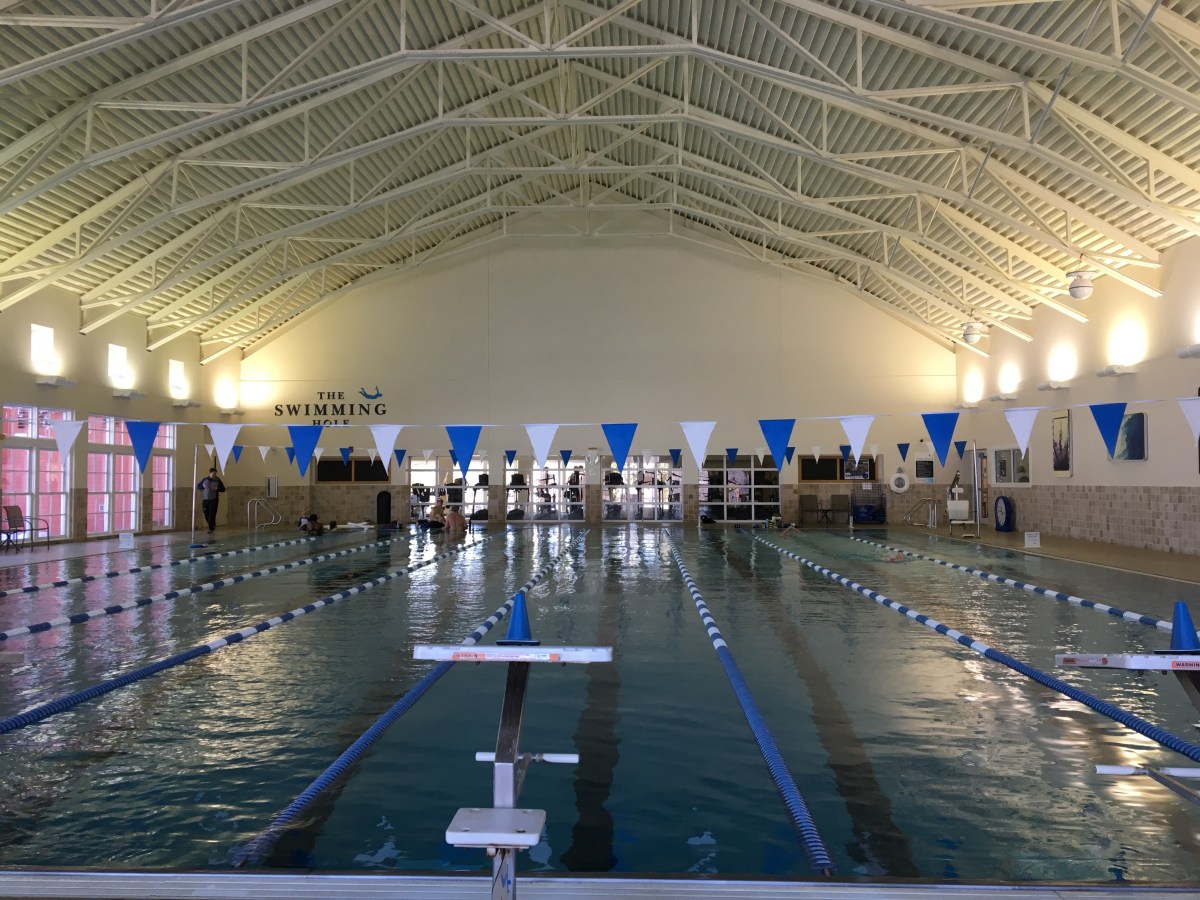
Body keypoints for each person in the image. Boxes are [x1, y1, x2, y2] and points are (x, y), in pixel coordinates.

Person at [196, 467, 226, 534]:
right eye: (213, 473)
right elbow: (198, 486)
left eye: (215, 473)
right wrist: (203, 486)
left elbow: (223, 489)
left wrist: (217, 488)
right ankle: (212, 525)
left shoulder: (218, 480)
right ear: (210, 473)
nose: (214, 475)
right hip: (205, 500)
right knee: (206, 513)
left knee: (212, 514)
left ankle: (211, 528)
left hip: (214, 500)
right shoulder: (205, 480)